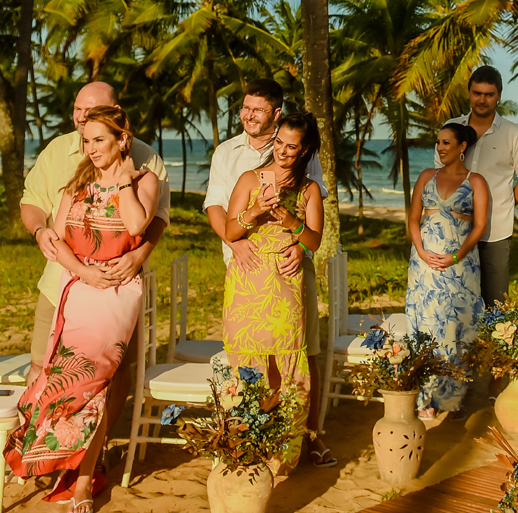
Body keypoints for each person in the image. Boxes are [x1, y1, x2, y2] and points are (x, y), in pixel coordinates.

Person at [18, 82, 170, 503]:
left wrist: (137, 256)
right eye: (79, 118)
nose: (85, 130)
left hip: (117, 294)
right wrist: (48, 238)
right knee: (55, 377)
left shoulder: (145, 170)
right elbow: (43, 212)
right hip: (70, 287)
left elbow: (145, 223)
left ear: (120, 129)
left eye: (96, 127)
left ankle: (85, 472)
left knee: (101, 384)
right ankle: (62, 462)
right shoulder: (66, 164)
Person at [203, 79, 333, 466]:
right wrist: (253, 216)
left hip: (289, 277)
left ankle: (297, 442)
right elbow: (223, 218)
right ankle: (242, 441)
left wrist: (292, 227)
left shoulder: (308, 186)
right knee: (247, 360)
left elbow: (313, 238)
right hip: (245, 276)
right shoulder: (234, 161)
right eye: (245, 108)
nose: (283, 151)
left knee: (298, 356)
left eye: (291, 146)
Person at [436, 66, 518, 309]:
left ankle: (492, 346)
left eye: (489, 94)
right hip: (455, 231)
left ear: (499, 95)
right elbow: (440, 172)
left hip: (495, 232)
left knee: (495, 303)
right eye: (477, 93)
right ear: (469, 93)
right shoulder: (452, 128)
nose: (482, 100)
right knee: (454, 300)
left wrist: (501, 204)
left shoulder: (514, 134)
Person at [406, 123, 490, 419]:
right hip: (424, 266)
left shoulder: (476, 181)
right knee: (426, 328)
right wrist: (420, 250)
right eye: (437, 143)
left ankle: (452, 399)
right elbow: (413, 218)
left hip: (462, 267)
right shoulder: (426, 177)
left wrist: (456, 256)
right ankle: (425, 398)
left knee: (459, 329)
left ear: (462, 146)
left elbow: (479, 226)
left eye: (445, 143)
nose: (440, 148)